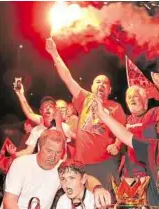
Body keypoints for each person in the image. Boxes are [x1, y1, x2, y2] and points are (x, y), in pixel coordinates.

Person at [45, 38, 126, 192]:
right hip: (81, 164)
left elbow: (122, 129)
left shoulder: (115, 107)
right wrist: (54, 53)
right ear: (92, 87)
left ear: (109, 90)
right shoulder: (85, 98)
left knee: (107, 202)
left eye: (105, 83)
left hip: (105, 164)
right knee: (82, 201)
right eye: (98, 82)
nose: (101, 85)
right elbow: (67, 78)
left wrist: (116, 145)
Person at [8, 92, 71, 157]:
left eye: (51, 106)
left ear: (55, 110)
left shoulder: (64, 127)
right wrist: (14, 154)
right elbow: (28, 151)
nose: (48, 108)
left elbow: (63, 148)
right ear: (41, 111)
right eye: (45, 106)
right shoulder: (36, 130)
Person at [123, 85, 159, 178]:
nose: (131, 99)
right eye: (129, 97)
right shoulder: (126, 119)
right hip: (130, 172)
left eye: (135, 96)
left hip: (150, 171)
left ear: (144, 100)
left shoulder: (153, 113)